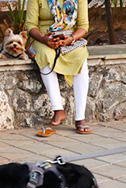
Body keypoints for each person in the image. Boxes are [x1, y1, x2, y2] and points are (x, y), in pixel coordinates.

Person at [25, 0, 92, 135]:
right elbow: (30, 25)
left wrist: (70, 38)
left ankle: (80, 118)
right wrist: (45, 39)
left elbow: (83, 26)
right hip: (43, 37)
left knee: (81, 58)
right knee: (44, 56)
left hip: (70, 38)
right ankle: (58, 109)